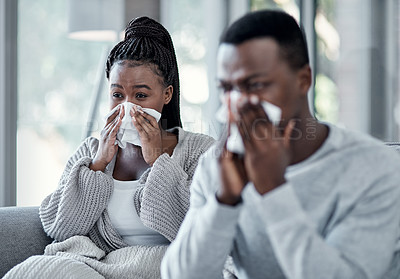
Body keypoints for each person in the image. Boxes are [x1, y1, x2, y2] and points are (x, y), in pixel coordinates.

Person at [161, 10, 400, 279]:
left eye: (255, 85)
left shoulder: (375, 168)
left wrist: (273, 189)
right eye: (227, 89)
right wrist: (224, 201)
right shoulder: (218, 165)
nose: (239, 102)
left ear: (303, 80)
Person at [4, 16, 214, 279]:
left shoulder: (201, 152)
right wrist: (97, 165)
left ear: (167, 94)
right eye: (117, 95)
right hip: (94, 265)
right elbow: (59, 228)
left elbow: (207, 231)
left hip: (163, 266)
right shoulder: (90, 151)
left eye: (140, 95)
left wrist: (158, 161)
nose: (127, 106)